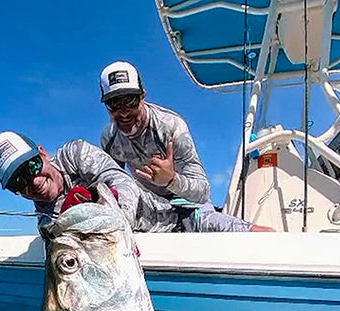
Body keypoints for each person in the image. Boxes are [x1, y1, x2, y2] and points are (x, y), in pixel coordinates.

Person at [98, 61, 272, 232]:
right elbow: (110, 184)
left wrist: (172, 180)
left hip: (190, 208)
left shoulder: (170, 126)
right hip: (151, 211)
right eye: (114, 103)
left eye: (130, 100)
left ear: (142, 95)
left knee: (258, 233)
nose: (123, 111)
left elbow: (202, 192)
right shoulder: (110, 138)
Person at [0, 131, 183, 232]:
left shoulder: (75, 154)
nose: (33, 182)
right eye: (19, 181)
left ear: (43, 154)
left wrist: (110, 210)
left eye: (32, 167)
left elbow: (121, 181)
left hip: (180, 218)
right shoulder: (49, 227)